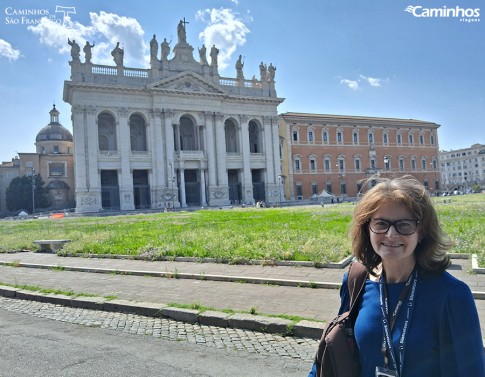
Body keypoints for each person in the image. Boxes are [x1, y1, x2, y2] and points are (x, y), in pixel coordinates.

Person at [309, 175, 485, 377]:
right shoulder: (356, 281)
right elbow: (332, 353)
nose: (391, 234)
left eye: (404, 224)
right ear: (367, 228)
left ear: (422, 232)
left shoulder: (452, 295)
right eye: (381, 223)